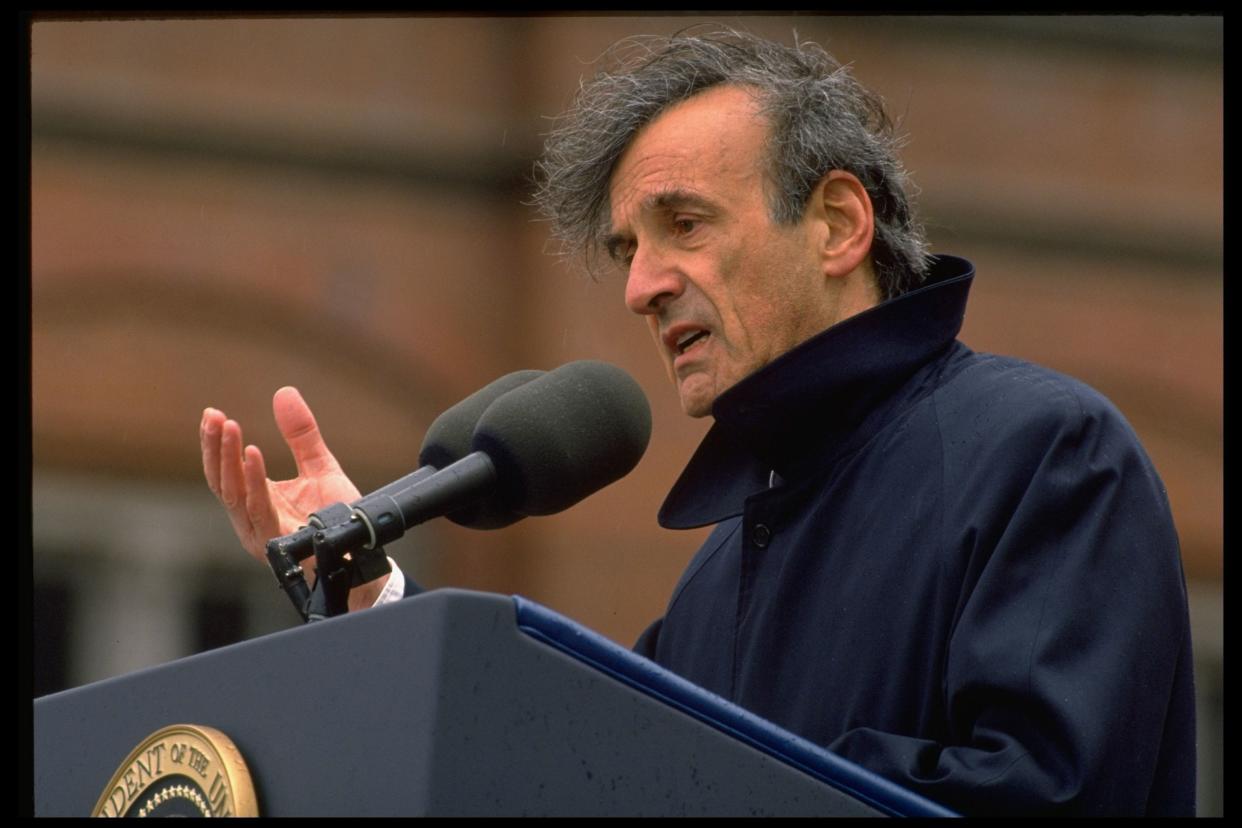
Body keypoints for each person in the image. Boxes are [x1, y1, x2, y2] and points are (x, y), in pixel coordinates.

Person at [200, 28, 1195, 816]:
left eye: (685, 225)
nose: (640, 286)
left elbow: (1042, 793)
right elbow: (567, 774)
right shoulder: (723, 568)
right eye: (628, 246)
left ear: (840, 226)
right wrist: (371, 585)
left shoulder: (1045, 454)